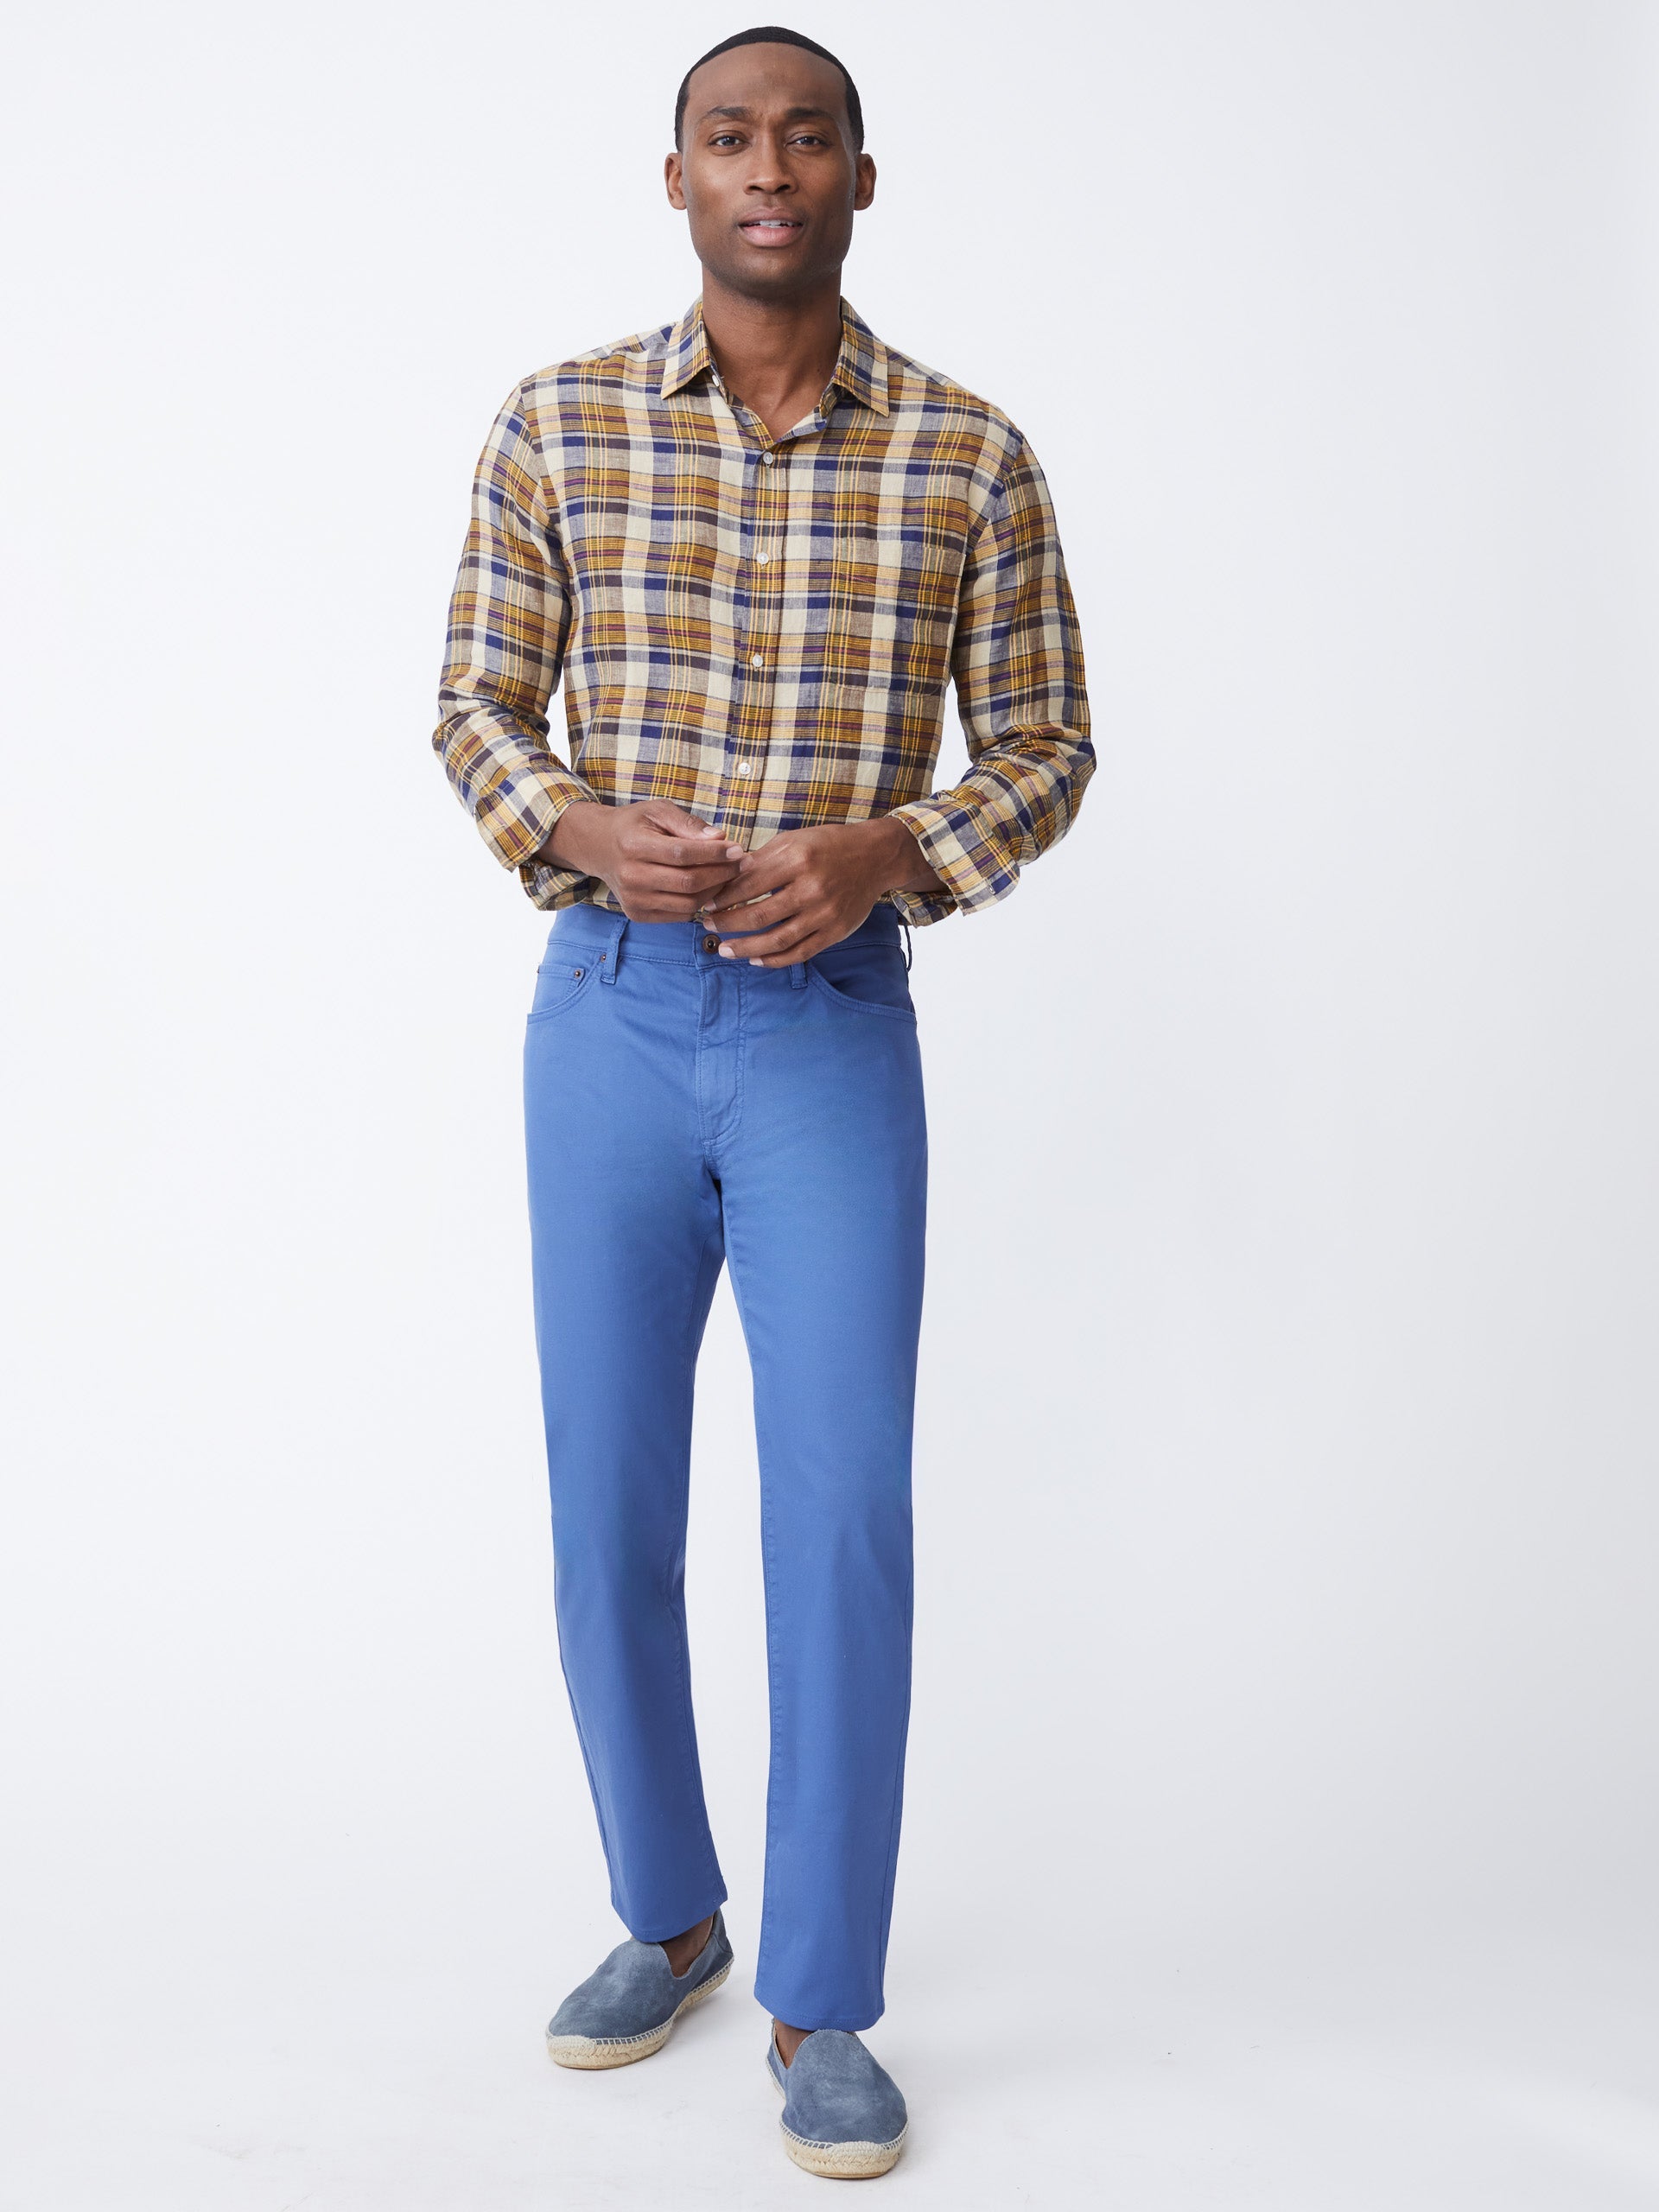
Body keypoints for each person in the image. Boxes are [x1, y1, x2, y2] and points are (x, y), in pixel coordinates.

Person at [432, 23, 1091, 2181]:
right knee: (605, 1504)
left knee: (840, 1511)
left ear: (861, 178)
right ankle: (670, 1912)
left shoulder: (969, 454)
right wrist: (575, 822)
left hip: (829, 1036)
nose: (771, 169)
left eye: (808, 137)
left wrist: (897, 849)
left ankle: (822, 1991)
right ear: (678, 177)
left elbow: (1049, 744)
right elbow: (475, 699)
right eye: (732, 136)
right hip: (609, 1023)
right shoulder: (560, 419)